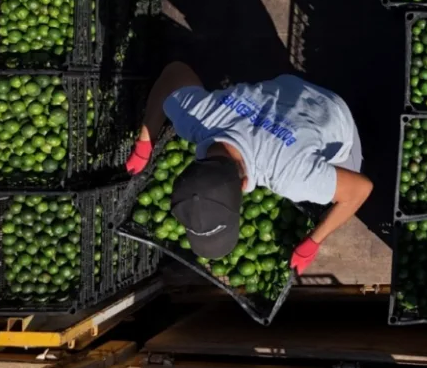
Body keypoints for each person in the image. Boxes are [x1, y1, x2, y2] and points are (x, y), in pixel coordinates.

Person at [125, 61, 373, 274]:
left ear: (245, 186)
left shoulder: (291, 177)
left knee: (333, 195)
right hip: (289, 89)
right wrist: (146, 139)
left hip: (335, 116)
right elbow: (174, 73)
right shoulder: (197, 118)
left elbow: (360, 189)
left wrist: (314, 240)